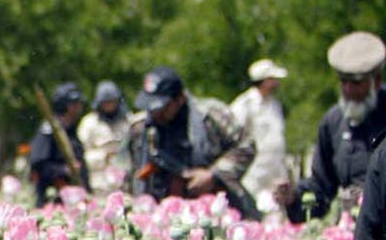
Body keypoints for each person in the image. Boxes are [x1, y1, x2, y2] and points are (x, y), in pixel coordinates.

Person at [276, 32, 386, 223]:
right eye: (344, 81)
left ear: (376, 80)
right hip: (352, 231)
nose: (348, 90)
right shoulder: (333, 121)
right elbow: (321, 187)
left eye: (356, 82)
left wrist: (370, 195)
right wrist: (294, 196)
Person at [126, 66, 257, 218]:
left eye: (163, 107)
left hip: (215, 208)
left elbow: (246, 146)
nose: (155, 113)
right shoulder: (140, 127)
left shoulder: (210, 115)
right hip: (160, 213)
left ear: (180, 99)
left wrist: (213, 175)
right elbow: (128, 173)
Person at [229, 58, 290, 212]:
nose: (276, 83)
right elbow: (233, 137)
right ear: (264, 81)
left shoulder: (275, 105)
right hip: (252, 175)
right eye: (272, 79)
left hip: (274, 174)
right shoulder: (244, 104)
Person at [28, 82, 86, 207]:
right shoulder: (50, 130)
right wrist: (63, 170)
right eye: (74, 104)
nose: (78, 107)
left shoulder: (71, 130)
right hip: (52, 200)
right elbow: (38, 164)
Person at [77, 80, 133, 186]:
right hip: (99, 182)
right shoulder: (89, 123)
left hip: (125, 180)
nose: (109, 105)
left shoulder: (128, 120)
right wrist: (103, 156)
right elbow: (80, 155)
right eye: (106, 102)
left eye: (112, 101)